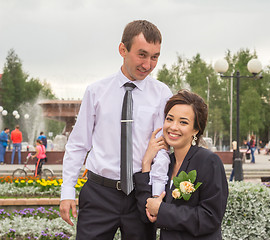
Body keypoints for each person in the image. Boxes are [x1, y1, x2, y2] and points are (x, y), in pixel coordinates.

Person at [59, 20, 172, 240]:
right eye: (142, 54)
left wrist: (156, 195)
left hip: (140, 194)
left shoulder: (162, 94)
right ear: (122, 49)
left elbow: (162, 150)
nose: (148, 64)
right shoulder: (96, 92)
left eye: (155, 56)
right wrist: (67, 192)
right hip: (99, 194)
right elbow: (78, 145)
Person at [134, 90, 228, 239]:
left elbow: (210, 218)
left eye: (183, 122)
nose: (173, 127)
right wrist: (146, 163)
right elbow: (147, 213)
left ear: (196, 129)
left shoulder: (208, 161)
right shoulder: (165, 163)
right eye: (169, 119)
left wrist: (162, 210)